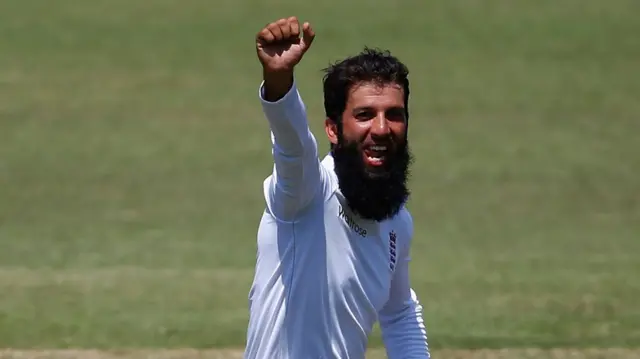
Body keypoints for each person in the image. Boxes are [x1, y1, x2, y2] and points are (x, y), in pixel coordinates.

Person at [244, 16, 430, 359]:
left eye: (394, 114)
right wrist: (279, 80)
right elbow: (292, 142)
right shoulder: (306, 192)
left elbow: (400, 312)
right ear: (333, 129)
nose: (381, 128)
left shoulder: (396, 224)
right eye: (364, 115)